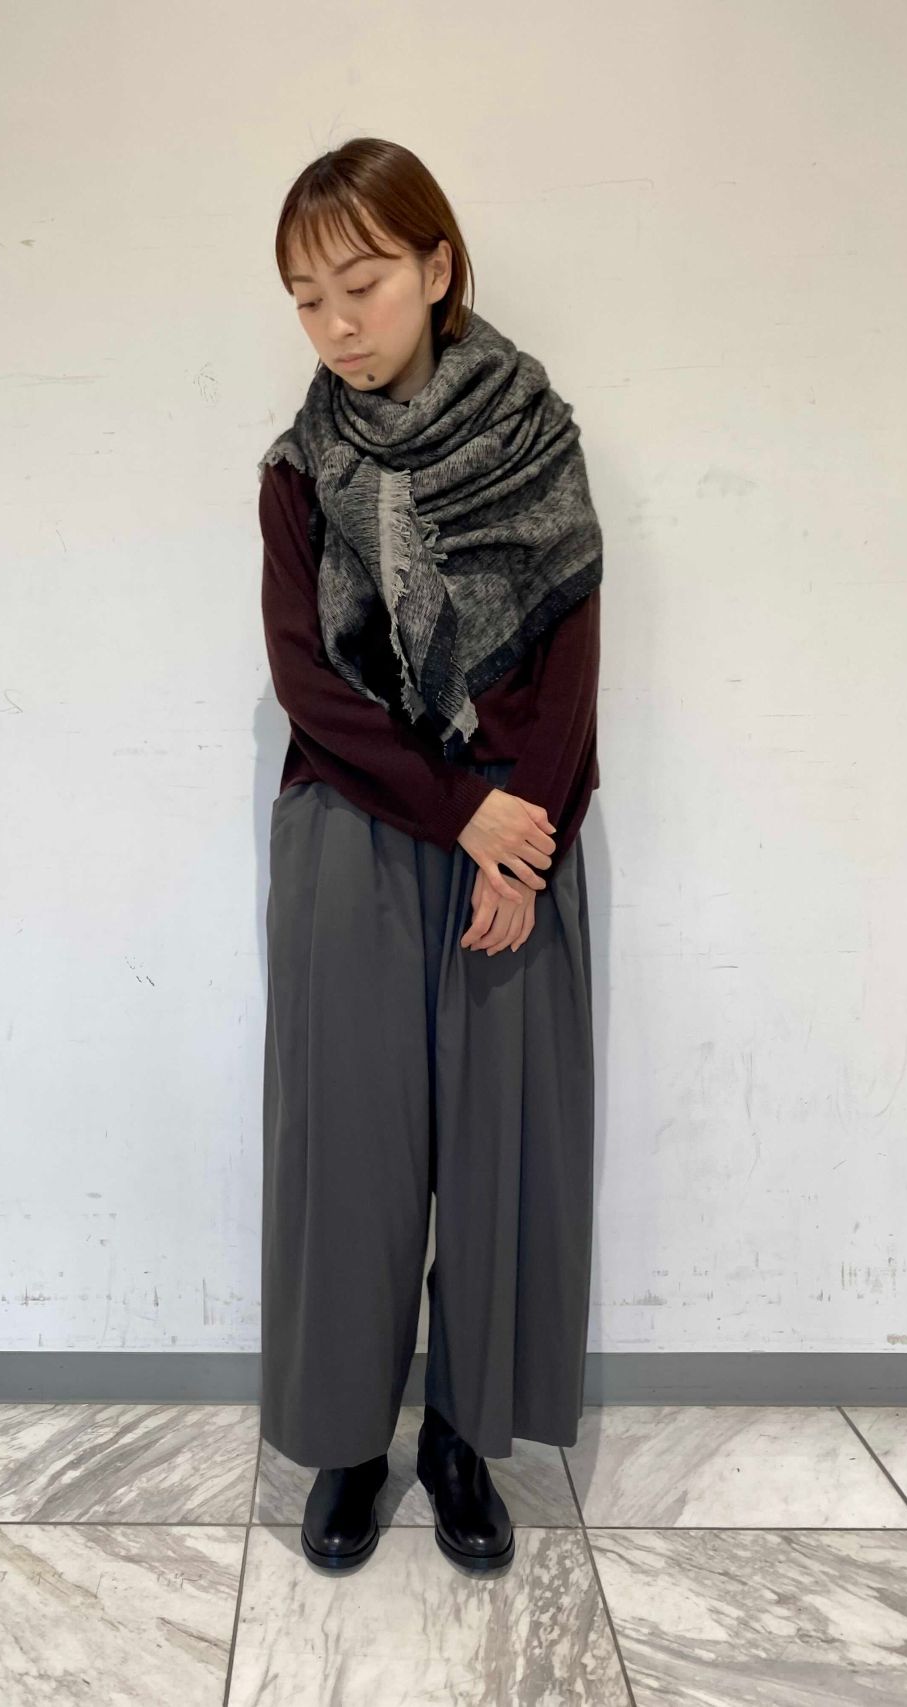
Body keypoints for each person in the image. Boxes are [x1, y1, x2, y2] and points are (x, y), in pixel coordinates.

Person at [257, 138, 602, 1576]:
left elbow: (570, 651)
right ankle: (350, 1440)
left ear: (437, 265)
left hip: (518, 837)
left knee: (501, 1147)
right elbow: (308, 679)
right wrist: (454, 808)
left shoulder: (536, 438)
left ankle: (463, 1436)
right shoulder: (300, 472)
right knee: (351, 1148)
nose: (338, 323)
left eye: (364, 283)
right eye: (307, 299)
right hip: (357, 828)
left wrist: (520, 848)